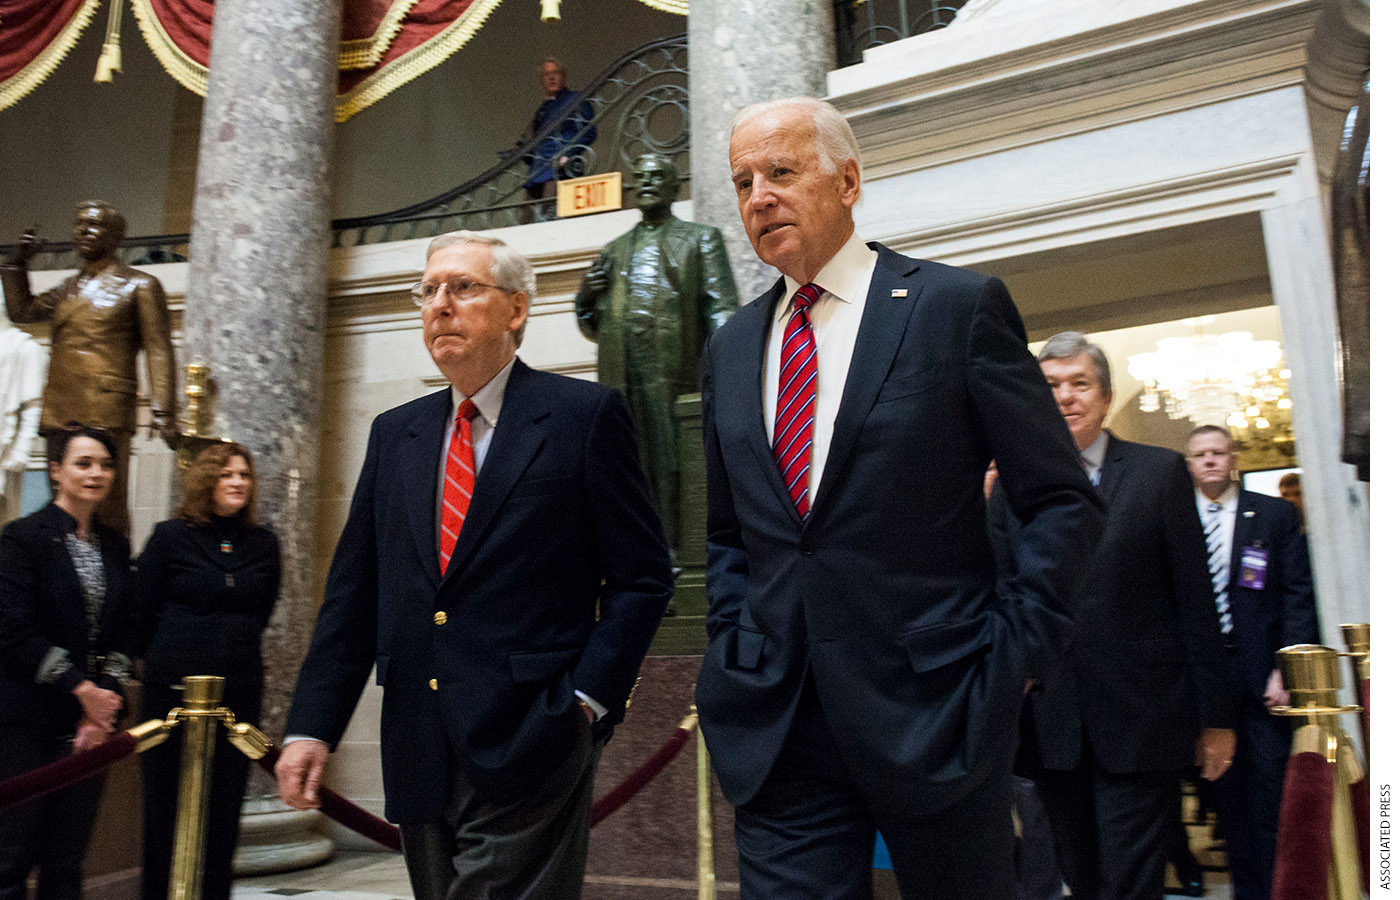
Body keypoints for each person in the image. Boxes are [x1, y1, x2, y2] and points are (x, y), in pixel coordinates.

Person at [698, 97, 1104, 899]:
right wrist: (733, 644)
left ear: (848, 181)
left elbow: (1062, 499)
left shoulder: (954, 308)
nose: (758, 197)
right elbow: (729, 535)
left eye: (782, 172)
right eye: (743, 181)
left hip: (940, 706)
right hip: (779, 724)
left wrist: (1013, 652)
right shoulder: (732, 346)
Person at [275, 232, 672, 900]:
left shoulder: (582, 417)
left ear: (516, 309)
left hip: (534, 734)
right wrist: (312, 724)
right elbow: (353, 596)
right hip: (418, 745)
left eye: (462, 287)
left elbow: (643, 576)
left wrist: (584, 702)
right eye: (428, 291)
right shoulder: (395, 434)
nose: (439, 305)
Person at [992, 332, 1238, 900]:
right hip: (1053, 724)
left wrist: (1217, 716)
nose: (1066, 397)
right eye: (1051, 386)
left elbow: (1194, 598)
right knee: (1080, 874)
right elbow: (1005, 594)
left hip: (1144, 714)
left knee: (1132, 880)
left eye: (1080, 384)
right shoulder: (1012, 487)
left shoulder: (1159, 473)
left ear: (1104, 397)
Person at [135, 443, 281, 900]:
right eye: (226, 474)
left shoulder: (263, 543)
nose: (237, 481)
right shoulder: (170, 537)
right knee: (167, 808)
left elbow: (262, 610)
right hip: (172, 693)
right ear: (206, 482)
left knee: (224, 807)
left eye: (243, 474)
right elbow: (140, 612)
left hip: (237, 692)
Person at [575, 153, 739, 547]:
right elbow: (592, 324)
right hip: (622, 375)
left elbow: (722, 309)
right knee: (629, 465)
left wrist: (725, 373)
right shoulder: (614, 249)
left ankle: (681, 550)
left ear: (672, 187)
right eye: (640, 177)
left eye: (656, 177)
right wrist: (586, 296)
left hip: (675, 372)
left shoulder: (700, 239)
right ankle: (640, 552)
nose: (646, 183)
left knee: (676, 465)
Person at [0, 423, 134, 900]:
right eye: (83, 463)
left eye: (104, 464)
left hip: (91, 725)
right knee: (11, 858)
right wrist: (83, 692)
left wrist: (106, 702)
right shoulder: (21, 539)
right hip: (28, 721)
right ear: (56, 471)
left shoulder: (114, 546)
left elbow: (125, 633)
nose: (96, 473)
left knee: (67, 857)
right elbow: (13, 630)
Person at [1184, 424, 1317, 900]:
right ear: (1190, 464)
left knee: (1270, 791)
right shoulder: (1177, 521)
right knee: (1227, 797)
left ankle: (1283, 888)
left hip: (1263, 674)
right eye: (1201, 455)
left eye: (1219, 452)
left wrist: (1288, 667)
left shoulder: (1275, 515)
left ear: (1234, 458)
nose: (1211, 461)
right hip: (1205, 679)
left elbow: (1298, 597)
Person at [2, 201, 178, 536]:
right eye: (79, 224)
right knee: (62, 505)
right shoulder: (70, 287)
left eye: (93, 225)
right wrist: (17, 263)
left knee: (107, 509)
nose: (82, 231)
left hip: (106, 408)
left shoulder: (139, 285)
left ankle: (114, 578)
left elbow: (159, 348)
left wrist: (164, 409)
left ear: (115, 238)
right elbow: (24, 311)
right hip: (60, 408)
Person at [522, 59, 596, 212]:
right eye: (546, 74)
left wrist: (567, 155)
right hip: (537, 174)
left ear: (563, 76)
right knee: (527, 222)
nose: (551, 77)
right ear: (541, 80)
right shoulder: (543, 108)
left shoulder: (575, 99)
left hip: (561, 171)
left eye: (555, 73)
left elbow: (588, 131)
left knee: (553, 220)